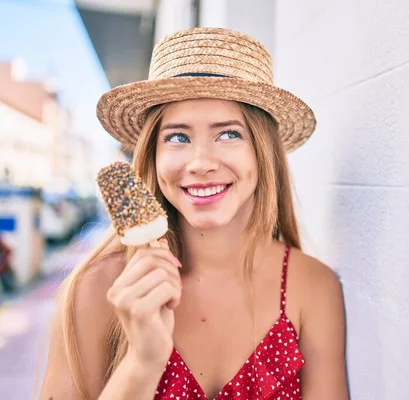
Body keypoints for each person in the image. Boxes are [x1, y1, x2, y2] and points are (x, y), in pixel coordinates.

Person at [40, 27, 348, 400]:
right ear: (154, 155)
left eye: (229, 134)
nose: (201, 163)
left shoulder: (314, 288)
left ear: (262, 152)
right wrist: (142, 362)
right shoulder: (96, 290)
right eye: (178, 137)